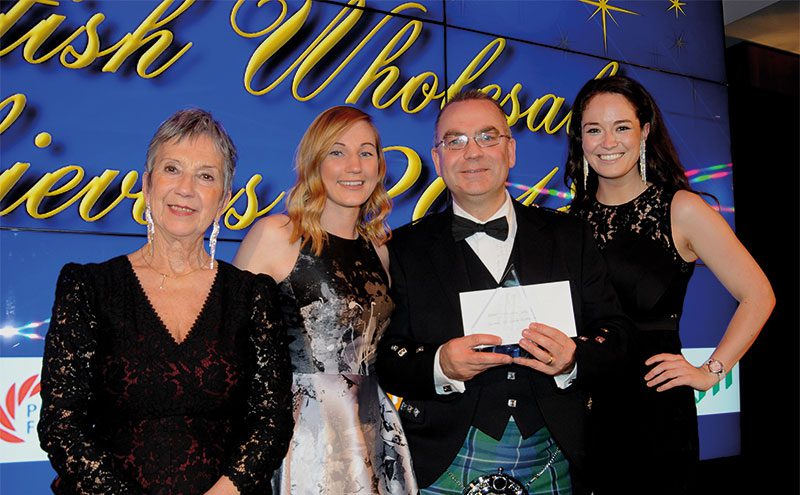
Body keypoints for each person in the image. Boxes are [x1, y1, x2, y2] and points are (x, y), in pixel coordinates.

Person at [376, 89, 634, 495]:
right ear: (438, 158)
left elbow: (617, 336)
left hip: (556, 459)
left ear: (510, 151)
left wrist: (573, 358)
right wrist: (441, 364)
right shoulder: (403, 248)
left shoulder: (571, 237)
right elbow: (385, 356)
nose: (473, 152)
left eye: (487, 137)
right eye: (455, 141)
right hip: (438, 463)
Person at [38, 109, 294, 495]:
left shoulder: (252, 295)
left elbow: (271, 421)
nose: (186, 188)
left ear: (224, 198)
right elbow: (61, 422)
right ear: (147, 183)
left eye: (205, 176)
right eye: (172, 169)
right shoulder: (89, 287)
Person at [563, 74, 775, 494]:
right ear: (580, 140)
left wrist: (711, 371)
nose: (608, 141)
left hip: (653, 412)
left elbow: (758, 295)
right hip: (580, 410)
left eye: (621, 127)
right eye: (594, 129)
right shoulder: (569, 221)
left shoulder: (681, 209)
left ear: (644, 131)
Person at [233, 106, 417, 494]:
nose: (354, 165)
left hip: (372, 424)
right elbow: (229, 348)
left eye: (366, 152)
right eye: (337, 151)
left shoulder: (379, 250)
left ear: (380, 165)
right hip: (300, 433)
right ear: (315, 162)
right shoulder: (277, 235)